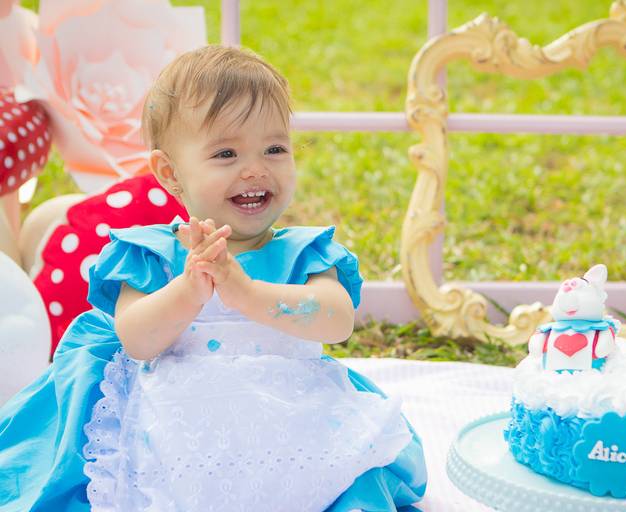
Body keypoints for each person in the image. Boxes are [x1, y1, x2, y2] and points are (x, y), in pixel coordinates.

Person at [0, 45, 427, 512]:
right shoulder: (151, 254)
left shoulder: (303, 251)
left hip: (289, 417)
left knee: (339, 480)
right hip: (171, 422)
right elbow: (137, 339)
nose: (255, 168)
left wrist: (245, 292)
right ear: (171, 173)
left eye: (275, 148)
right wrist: (189, 289)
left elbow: (336, 321)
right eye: (226, 153)